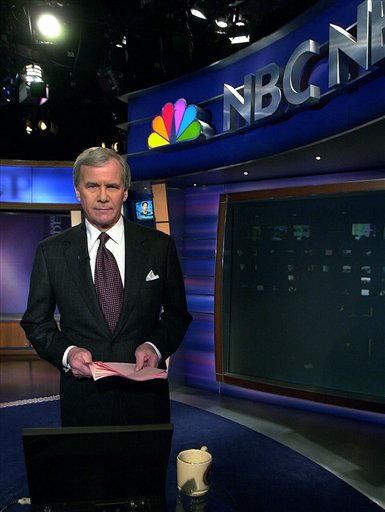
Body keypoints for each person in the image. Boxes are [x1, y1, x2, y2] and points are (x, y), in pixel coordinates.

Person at [21, 147, 192, 427]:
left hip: (145, 400)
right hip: (84, 401)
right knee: (86, 472)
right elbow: (36, 323)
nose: (102, 196)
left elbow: (177, 314)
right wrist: (67, 353)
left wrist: (155, 346)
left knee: (144, 472)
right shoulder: (50, 253)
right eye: (92, 186)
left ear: (124, 192)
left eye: (112, 186)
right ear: (78, 191)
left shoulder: (159, 247)